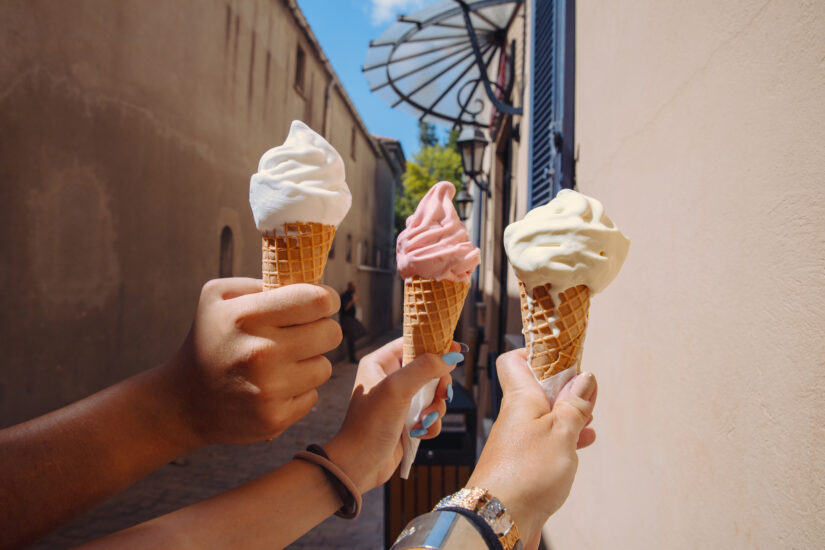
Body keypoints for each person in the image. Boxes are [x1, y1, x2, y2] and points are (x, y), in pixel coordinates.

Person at [339, 281, 365, 362]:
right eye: (353, 287)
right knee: (351, 339)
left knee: (353, 337)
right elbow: (345, 308)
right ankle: (352, 359)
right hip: (346, 320)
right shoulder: (345, 296)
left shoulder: (349, 295)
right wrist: (353, 301)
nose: (355, 289)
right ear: (349, 287)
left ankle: (352, 358)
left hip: (350, 319)